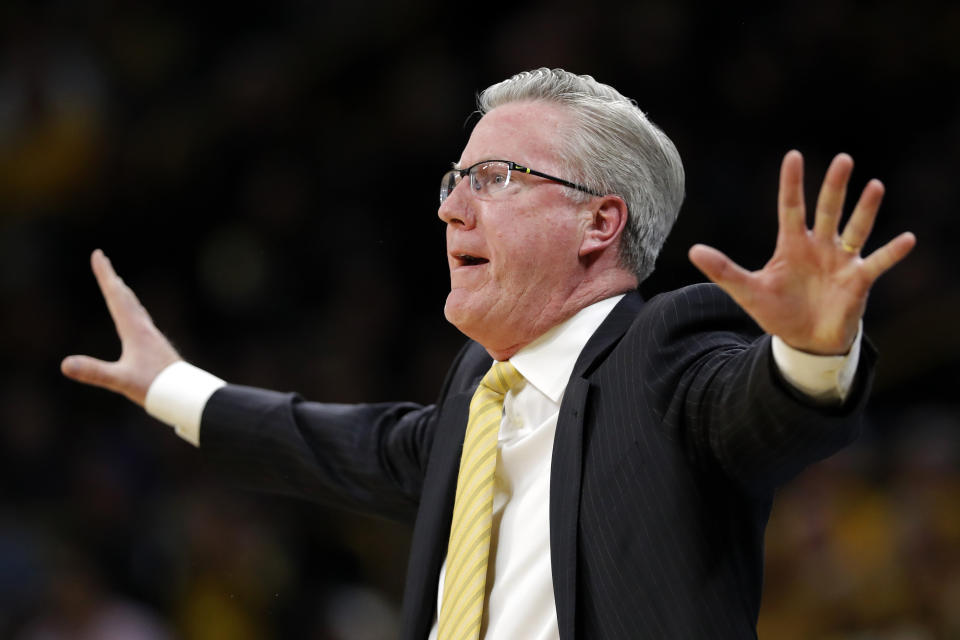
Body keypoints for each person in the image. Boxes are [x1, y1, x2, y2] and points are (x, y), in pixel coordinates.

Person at [62, 68, 916, 639]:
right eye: (452, 182)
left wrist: (809, 349)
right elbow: (340, 442)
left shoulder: (664, 351)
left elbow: (756, 411)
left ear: (598, 221)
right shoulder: (479, 393)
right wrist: (168, 385)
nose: (451, 211)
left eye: (495, 178)